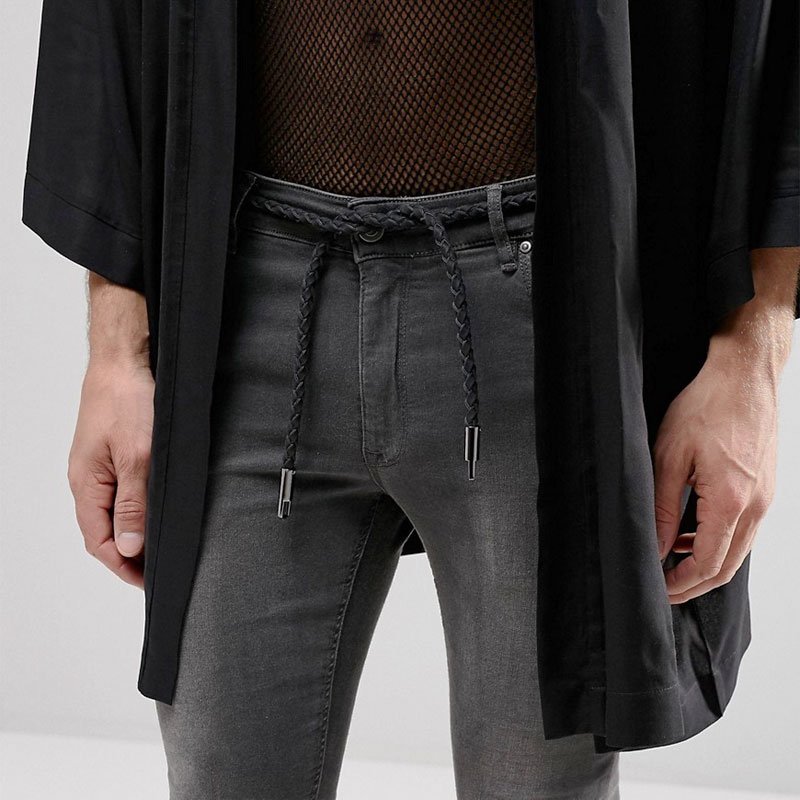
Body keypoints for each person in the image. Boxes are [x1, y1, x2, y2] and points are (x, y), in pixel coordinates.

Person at [21, 0, 799, 798]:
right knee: (222, 775)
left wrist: (752, 355)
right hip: (249, 306)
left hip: (547, 318)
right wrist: (117, 351)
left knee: (535, 783)